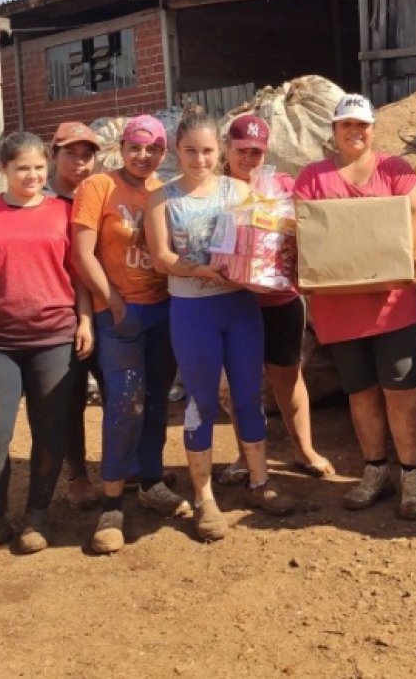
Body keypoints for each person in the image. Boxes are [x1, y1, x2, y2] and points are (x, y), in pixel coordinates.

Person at [0, 131, 93, 563]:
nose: (32, 175)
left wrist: (85, 320)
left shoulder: (63, 213)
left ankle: (37, 516)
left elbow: (80, 274)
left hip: (54, 338)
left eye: (39, 167)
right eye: (21, 168)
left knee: (50, 430)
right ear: (3, 169)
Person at [146, 106, 295, 543]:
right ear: (177, 150)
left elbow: (262, 239)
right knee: (202, 401)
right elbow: (161, 258)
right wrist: (201, 271)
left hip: (239, 307)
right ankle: (204, 496)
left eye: (208, 151)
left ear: (221, 150)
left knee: (249, 395)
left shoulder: (239, 191)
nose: (200, 159)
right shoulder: (162, 198)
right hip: (193, 311)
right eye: (191, 151)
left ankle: (260, 482)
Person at [294, 93, 416, 520]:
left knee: (402, 392)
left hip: (394, 304)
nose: (354, 132)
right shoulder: (313, 178)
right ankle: (375, 470)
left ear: (373, 129)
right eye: (346, 125)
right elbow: (303, 233)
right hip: (340, 308)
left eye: (362, 125)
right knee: (360, 392)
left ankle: (412, 475)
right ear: (334, 131)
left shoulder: (395, 171)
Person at [72, 115, 191, 554]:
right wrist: (113, 301)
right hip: (119, 314)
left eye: (153, 148)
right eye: (136, 147)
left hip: (162, 310)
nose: (144, 156)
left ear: (164, 152)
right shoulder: (99, 187)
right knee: (125, 404)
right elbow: (81, 254)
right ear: (121, 148)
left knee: (157, 401)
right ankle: (112, 503)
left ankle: (151, 481)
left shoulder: (164, 191)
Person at [215, 114, 333, 485]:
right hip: (232, 300)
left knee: (288, 376)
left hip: (280, 300)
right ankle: (245, 455)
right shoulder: (214, 189)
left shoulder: (280, 183)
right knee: (240, 383)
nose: (249, 158)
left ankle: (304, 450)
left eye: (257, 152)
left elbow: (306, 229)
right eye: (241, 150)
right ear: (227, 148)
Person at [46, 121, 103, 511]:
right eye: (71, 153)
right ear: (54, 155)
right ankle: (77, 475)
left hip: (106, 307)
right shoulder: (42, 201)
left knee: (119, 388)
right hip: (61, 313)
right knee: (71, 396)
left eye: (87, 155)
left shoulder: (100, 194)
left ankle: (127, 465)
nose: (80, 162)